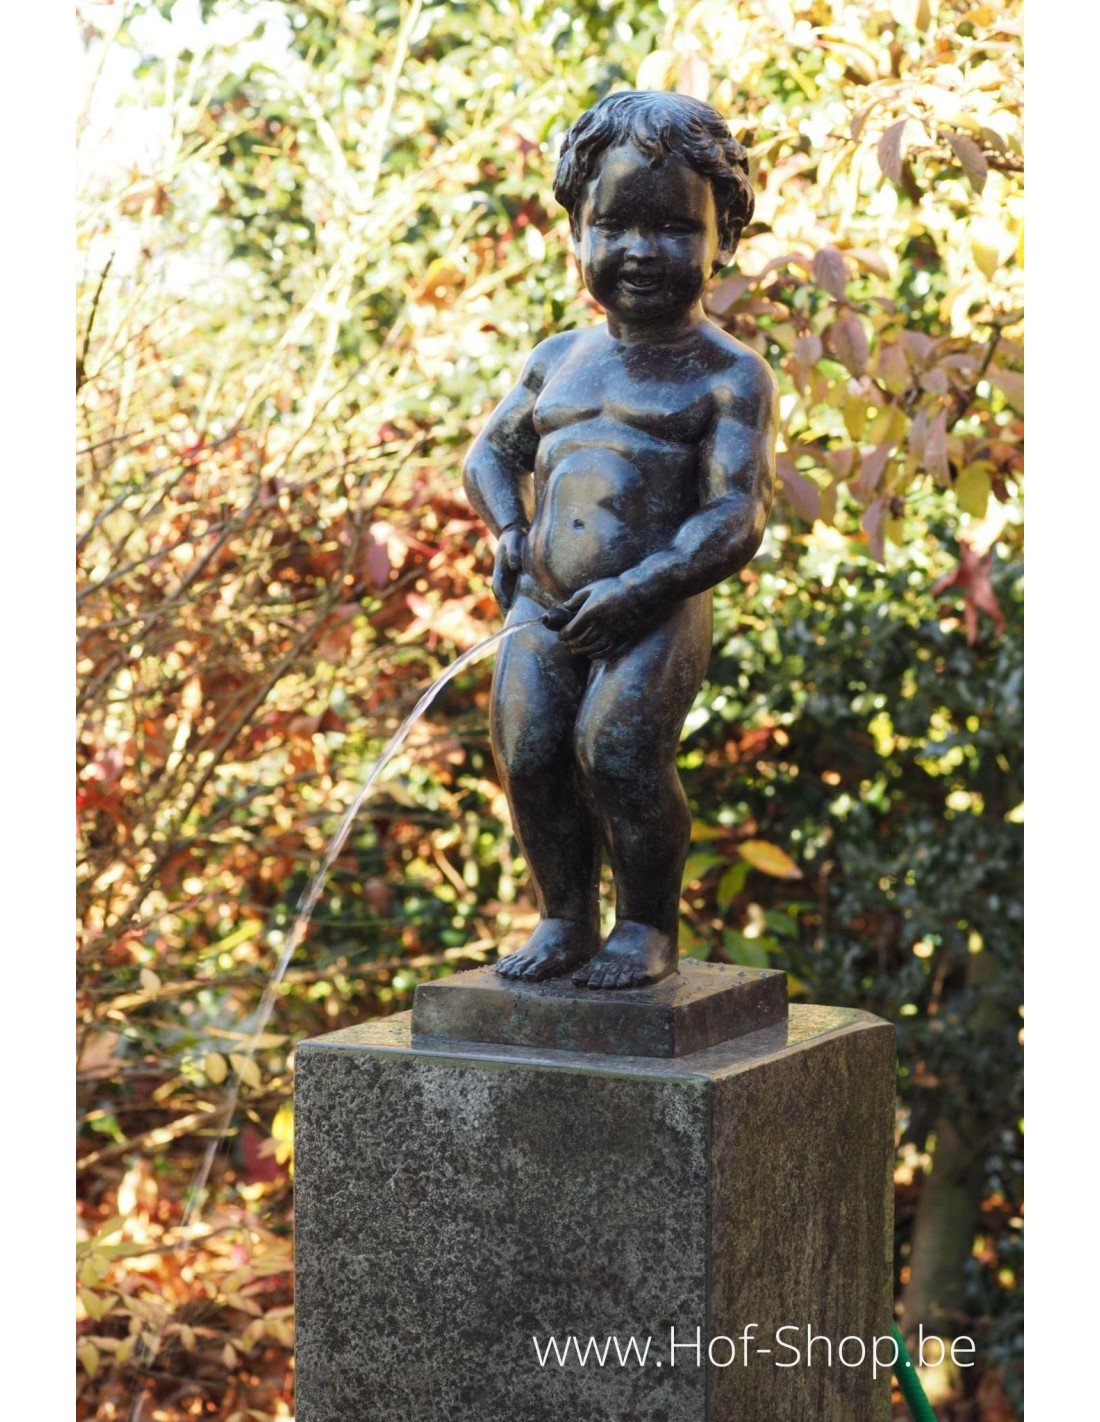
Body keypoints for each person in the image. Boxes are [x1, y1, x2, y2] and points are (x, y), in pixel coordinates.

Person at [464, 90, 777, 989]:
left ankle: (644, 925)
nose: (640, 250)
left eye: (674, 228)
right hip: (544, 601)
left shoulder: (728, 373)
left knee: (619, 752)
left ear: (725, 237)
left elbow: (736, 513)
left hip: (655, 606)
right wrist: (510, 530)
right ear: (577, 230)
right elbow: (490, 454)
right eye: (615, 226)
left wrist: (645, 586)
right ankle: (565, 916)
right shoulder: (557, 359)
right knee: (528, 751)